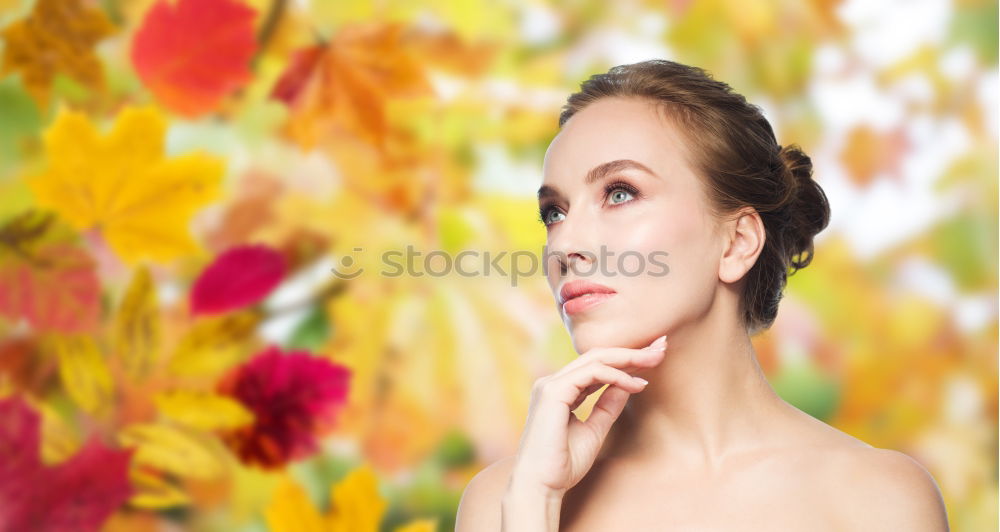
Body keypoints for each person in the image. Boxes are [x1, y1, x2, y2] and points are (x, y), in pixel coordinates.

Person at [455, 59, 949, 531]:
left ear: (737, 242)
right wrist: (533, 505)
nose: (563, 244)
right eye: (554, 212)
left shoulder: (879, 497)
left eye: (620, 192)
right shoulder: (505, 499)